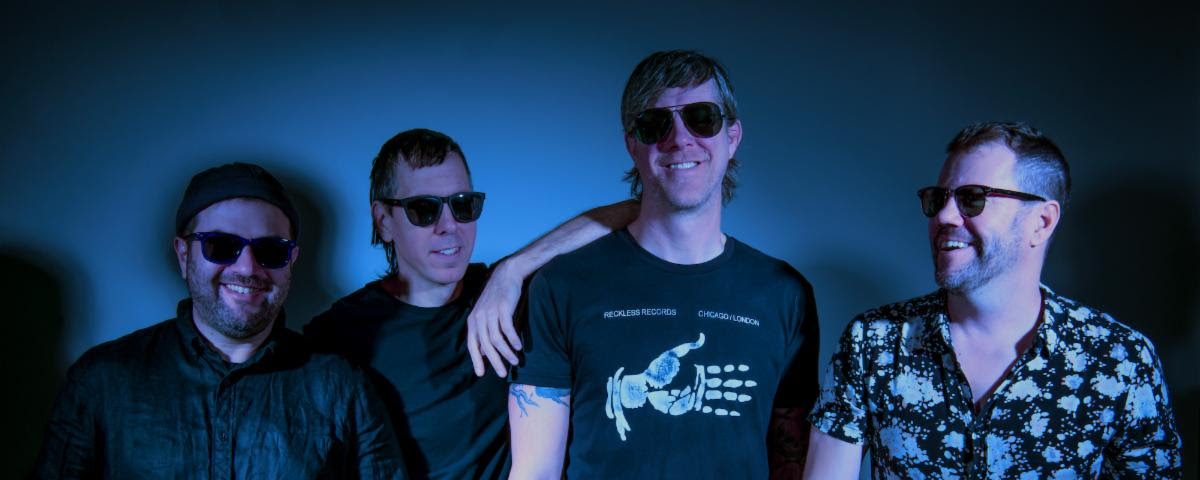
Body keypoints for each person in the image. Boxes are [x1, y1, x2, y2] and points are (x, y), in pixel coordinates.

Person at [804, 122, 1183, 478]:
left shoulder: (1119, 360)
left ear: (1041, 222)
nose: (944, 216)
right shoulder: (873, 342)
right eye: (938, 199)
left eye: (973, 199)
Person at [507, 50, 821, 479]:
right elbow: (534, 471)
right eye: (655, 124)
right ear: (632, 144)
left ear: (732, 137)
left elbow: (792, 461)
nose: (679, 139)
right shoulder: (562, 285)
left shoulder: (784, 293)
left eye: (702, 118)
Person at [33, 162, 406, 478]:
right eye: (221, 246)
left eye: (271, 250)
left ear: (291, 261)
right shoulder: (102, 381)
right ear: (184, 255)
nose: (247, 268)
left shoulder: (342, 388)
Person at [304, 128, 637, 479]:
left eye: (463, 205)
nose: (449, 226)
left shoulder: (504, 293)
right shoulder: (338, 336)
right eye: (424, 209)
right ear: (384, 221)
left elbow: (633, 211)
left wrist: (512, 269)